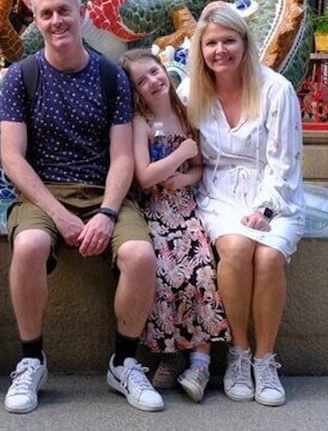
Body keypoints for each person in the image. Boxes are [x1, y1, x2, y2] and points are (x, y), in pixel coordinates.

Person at [0, 0, 163, 414]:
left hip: (103, 191)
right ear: (36, 20)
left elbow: (123, 157)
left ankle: (125, 362)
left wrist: (107, 213)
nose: (56, 21)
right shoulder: (21, 77)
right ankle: (31, 359)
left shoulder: (111, 77)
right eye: (46, 14)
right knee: (30, 244)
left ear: (81, 13)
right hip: (43, 195)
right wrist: (61, 215)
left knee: (141, 257)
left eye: (63, 11)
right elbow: (12, 159)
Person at [186, 3, 305, 407]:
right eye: (212, 43)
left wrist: (266, 209)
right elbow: (160, 117)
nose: (221, 50)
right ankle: (238, 352)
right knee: (236, 248)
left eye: (229, 41)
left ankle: (264, 359)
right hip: (220, 193)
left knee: (269, 257)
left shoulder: (276, 89)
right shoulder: (193, 92)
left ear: (245, 43)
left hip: (275, 194)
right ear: (201, 49)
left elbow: (285, 163)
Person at [120, 49, 229, 403]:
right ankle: (167, 353)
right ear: (135, 90)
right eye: (142, 80)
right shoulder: (140, 122)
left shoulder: (185, 115)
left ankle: (200, 359)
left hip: (184, 208)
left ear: (164, 69)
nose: (153, 82)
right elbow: (145, 175)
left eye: (155, 72)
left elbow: (198, 167)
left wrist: (185, 178)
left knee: (201, 270)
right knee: (164, 275)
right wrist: (178, 157)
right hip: (153, 209)